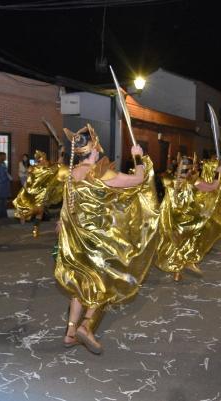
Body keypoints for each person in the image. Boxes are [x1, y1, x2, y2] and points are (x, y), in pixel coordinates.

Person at [55, 124, 159, 354]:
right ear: (94, 148)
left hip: (76, 241)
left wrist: (62, 226)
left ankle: (70, 333)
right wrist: (138, 158)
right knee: (103, 286)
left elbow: (66, 209)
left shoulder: (72, 174)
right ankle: (86, 326)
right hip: (99, 241)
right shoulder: (102, 172)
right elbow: (138, 180)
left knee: (81, 285)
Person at [156, 154, 221, 281]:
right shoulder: (193, 182)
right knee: (198, 234)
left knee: (177, 244)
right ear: (189, 169)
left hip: (172, 221)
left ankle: (178, 271)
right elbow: (213, 186)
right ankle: (189, 261)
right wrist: (218, 173)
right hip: (188, 222)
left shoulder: (168, 180)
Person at [0, 152, 11, 218]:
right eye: (5, 156)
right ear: (1, 156)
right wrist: (3, 180)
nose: (6, 157)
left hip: (5, 184)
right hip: (0, 184)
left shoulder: (4, 163)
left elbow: (6, 172)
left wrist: (9, 177)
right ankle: (0, 215)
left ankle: (4, 215)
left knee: (4, 201)